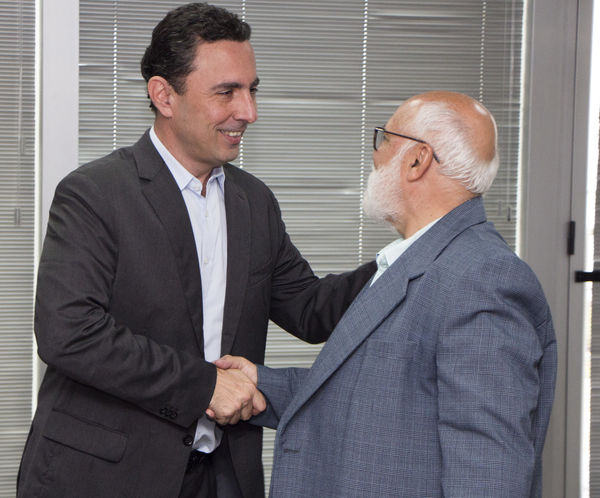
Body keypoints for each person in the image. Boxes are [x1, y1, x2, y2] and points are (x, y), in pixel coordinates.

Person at [16, 3, 375, 497]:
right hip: (106, 477)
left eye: (251, 90)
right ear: (163, 95)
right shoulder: (95, 194)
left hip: (223, 475)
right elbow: (69, 333)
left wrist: (409, 254)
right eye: (227, 92)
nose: (248, 111)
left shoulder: (255, 202)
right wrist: (204, 385)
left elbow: (311, 310)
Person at [217, 91, 558, 497]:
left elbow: (487, 475)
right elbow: (380, 394)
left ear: (418, 160)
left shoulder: (482, 279)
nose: (376, 156)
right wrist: (261, 383)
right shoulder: (423, 262)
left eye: (384, 139)